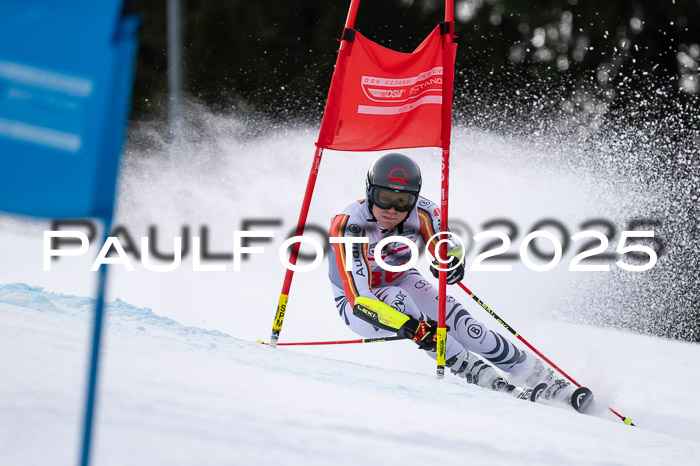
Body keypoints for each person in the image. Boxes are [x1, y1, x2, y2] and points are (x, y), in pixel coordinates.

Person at [327, 152, 565, 395]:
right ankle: (479, 373)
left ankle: (539, 376)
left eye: (403, 201)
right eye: (383, 197)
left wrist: (451, 260)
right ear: (369, 192)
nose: (391, 209)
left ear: (415, 199)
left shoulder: (424, 211)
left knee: (466, 327)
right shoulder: (349, 226)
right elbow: (360, 299)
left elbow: (447, 244)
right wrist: (411, 327)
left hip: (401, 278)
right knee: (405, 308)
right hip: (358, 304)